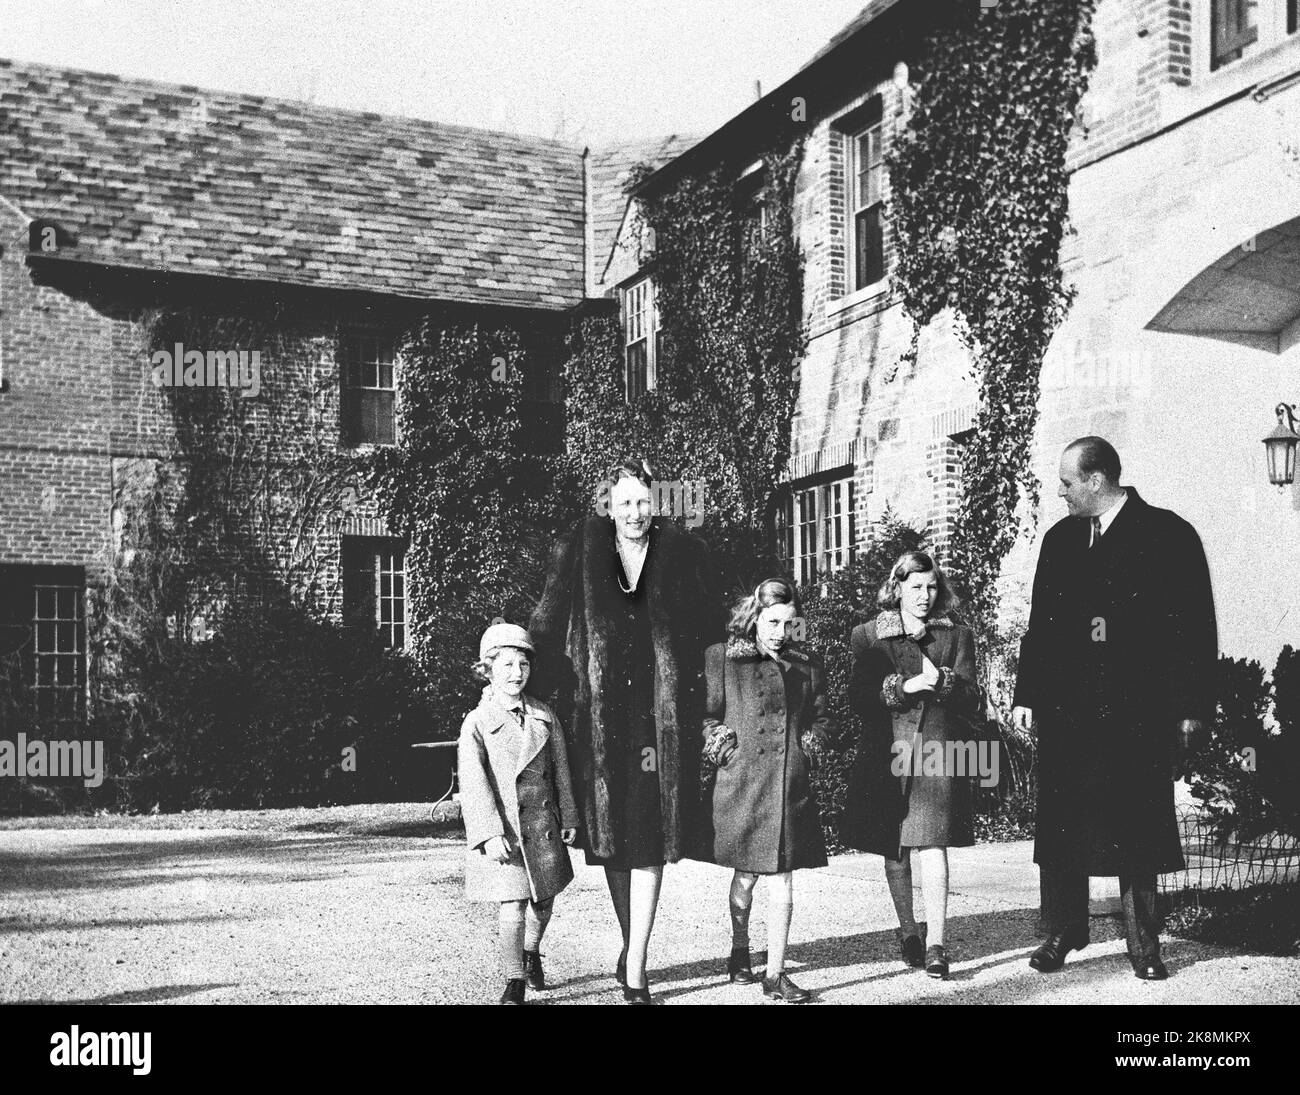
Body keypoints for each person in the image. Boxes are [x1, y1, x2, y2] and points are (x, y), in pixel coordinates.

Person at [1013, 436, 1217, 980]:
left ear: (1096, 480)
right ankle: (1063, 932)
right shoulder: (1059, 541)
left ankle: (1143, 946)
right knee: (1061, 828)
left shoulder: (1168, 535)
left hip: (1138, 716)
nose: (1060, 492)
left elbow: (1195, 628)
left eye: (1067, 482)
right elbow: (1042, 628)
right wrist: (1028, 694)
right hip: (1068, 716)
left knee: (1138, 828)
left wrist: (1192, 708)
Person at [529, 457, 718, 1003]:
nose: (635, 512)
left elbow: (707, 631)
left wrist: (710, 701)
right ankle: (628, 943)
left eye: (644, 501)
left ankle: (636, 966)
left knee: (652, 838)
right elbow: (546, 623)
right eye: (625, 502)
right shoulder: (579, 552)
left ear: (656, 503)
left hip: (661, 720)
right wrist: (523, 684)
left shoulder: (680, 555)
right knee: (613, 843)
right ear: (606, 505)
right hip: (598, 720)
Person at [842, 551, 981, 980]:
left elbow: (973, 699)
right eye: (916, 586)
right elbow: (858, 697)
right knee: (895, 846)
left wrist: (947, 684)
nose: (925, 596)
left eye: (932, 586)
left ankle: (937, 942)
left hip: (937, 750)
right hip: (888, 751)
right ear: (897, 586)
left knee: (933, 843)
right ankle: (909, 933)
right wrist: (902, 687)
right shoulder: (868, 635)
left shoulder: (956, 636)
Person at [702, 578, 831, 1003]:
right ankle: (741, 949)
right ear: (755, 618)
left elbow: (821, 719)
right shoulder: (722, 660)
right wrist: (725, 749)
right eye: (771, 621)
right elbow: (704, 717)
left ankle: (774, 974)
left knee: (783, 881)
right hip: (743, 786)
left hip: (789, 787)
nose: (778, 631)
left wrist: (806, 749)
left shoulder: (807, 666)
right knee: (746, 877)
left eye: (787, 623)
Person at [457, 622, 579, 1005]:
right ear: (487, 669)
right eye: (506, 665)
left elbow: (561, 769)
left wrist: (570, 817)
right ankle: (514, 981)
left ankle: (530, 951)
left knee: (544, 900)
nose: (516, 674)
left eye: (523, 665)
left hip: (542, 825)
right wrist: (488, 833)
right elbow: (474, 784)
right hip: (506, 832)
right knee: (512, 904)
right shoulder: (477, 722)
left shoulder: (544, 715)